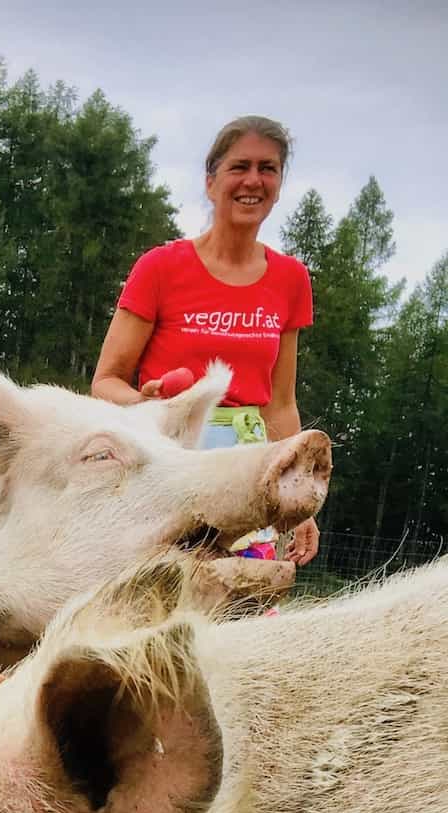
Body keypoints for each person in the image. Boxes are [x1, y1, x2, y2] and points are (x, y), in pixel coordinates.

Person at [92, 114, 319, 567]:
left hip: (251, 466)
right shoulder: (160, 268)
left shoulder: (291, 279)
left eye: (268, 168)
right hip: (168, 458)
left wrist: (298, 500)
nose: (253, 180)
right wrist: (144, 402)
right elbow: (105, 382)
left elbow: (279, 404)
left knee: (243, 602)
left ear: (278, 183)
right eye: (240, 166)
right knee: (159, 601)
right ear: (211, 181)